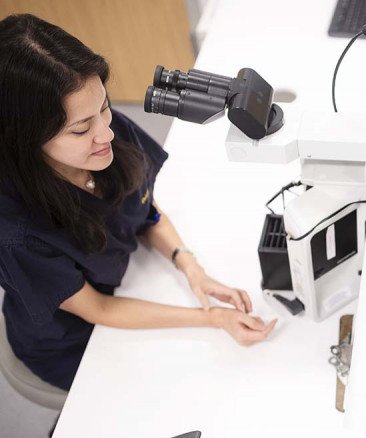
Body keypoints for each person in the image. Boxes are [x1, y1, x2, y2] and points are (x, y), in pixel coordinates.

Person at [0, 14, 276, 391]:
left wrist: (191, 268)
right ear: (25, 138)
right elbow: (97, 309)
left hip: (132, 285)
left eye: (104, 107)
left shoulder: (102, 136)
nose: (106, 132)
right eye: (80, 129)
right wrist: (213, 319)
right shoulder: (16, 234)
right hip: (76, 340)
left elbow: (143, 208)